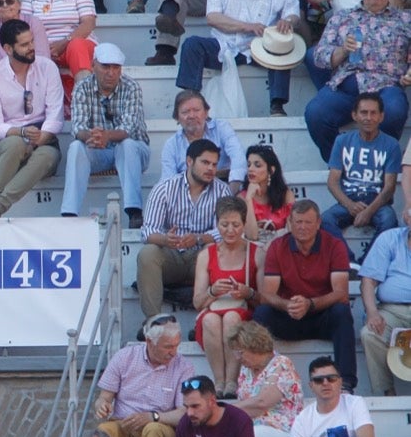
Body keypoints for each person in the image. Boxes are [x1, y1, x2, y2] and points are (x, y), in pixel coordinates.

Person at [175, 0, 301, 118]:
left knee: (282, 49)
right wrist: (247, 26)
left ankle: (277, 106)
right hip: (225, 46)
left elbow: (293, 10)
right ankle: (190, 102)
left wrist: (287, 21)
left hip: (263, 48)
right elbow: (213, 17)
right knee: (192, 45)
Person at [304, 0, 411, 164]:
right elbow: (318, 57)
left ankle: (377, 165)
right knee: (315, 113)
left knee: (394, 111)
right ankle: (340, 165)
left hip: (386, 86)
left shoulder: (405, 20)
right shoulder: (342, 17)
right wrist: (342, 50)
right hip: (346, 87)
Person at [253, 200, 357, 392]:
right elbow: (267, 294)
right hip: (289, 316)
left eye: (308, 222)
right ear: (290, 224)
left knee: (341, 311)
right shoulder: (277, 246)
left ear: (318, 223)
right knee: (262, 313)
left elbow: (341, 293)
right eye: (298, 222)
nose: (302, 227)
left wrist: (310, 304)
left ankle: (346, 383)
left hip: (321, 315)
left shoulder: (334, 245)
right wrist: (288, 306)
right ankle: (258, 379)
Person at [94, 315, 193, 437]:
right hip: (123, 425)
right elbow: (104, 397)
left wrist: (153, 417)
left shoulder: (183, 367)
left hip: (161, 428)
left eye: (176, 345)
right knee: (102, 433)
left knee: (153, 430)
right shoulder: (125, 356)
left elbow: (184, 413)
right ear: (149, 341)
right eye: (168, 346)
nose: (174, 352)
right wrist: (102, 406)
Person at [0, 18, 62, 219]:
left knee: (48, 156)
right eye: (24, 45)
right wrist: (22, 134)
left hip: (43, 140)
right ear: (7, 48)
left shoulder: (47, 67)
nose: (32, 48)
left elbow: (55, 116)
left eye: (31, 41)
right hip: (7, 147)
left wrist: (40, 138)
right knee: (15, 143)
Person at [138, 139, 232, 319]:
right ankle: (154, 322)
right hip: (171, 255)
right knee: (148, 253)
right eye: (205, 162)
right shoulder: (164, 188)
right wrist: (165, 240)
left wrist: (199, 238)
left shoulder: (222, 191)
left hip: (200, 257)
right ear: (189, 161)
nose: (211, 169)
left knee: (213, 250)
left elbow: (226, 231)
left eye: (214, 164)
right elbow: (148, 230)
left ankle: (206, 319)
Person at [60, 43, 150, 228]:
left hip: (134, 152)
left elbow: (128, 129)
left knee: (127, 144)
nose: (111, 73)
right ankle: (69, 214)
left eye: (116, 67)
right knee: (76, 147)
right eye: (106, 67)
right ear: (93, 66)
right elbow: (78, 128)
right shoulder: (82, 87)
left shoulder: (131, 87)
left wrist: (106, 136)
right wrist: (92, 137)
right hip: (99, 150)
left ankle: (134, 211)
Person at [192, 196, 264, 397]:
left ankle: (232, 382)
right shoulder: (207, 254)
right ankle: (219, 382)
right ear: (217, 225)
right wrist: (213, 291)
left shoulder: (256, 252)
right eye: (224, 225)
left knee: (232, 317)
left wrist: (247, 292)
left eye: (236, 225)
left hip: (243, 313)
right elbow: (198, 302)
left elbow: (265, 299)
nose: (230, 231)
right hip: (213, 312)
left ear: (243, 224)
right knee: (210, 319)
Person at [320, 92, 400, 259]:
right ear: (354, 115)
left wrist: (368, 212)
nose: (368, 118)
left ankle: (367, 262)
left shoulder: (391, 145)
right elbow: (332, 182)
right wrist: (350, 205)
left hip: (377, 203)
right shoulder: (342, 141)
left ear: (381, 116)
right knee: (325, 220)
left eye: (373, 113)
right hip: (348, 200)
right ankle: (347, 261)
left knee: (390, 220)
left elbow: (389, 188)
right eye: (363, 112)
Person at [21, 0, 98, 102]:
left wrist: (65, 42)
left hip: (75, 44)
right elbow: (25, 26)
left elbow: (88, 23)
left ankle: (86, 99)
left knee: (77, 45)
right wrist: (43, 47)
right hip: (42, 47)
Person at [226, 321, 304, 437]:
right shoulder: (246, 370)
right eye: (235, 353)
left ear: (255, 346)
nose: (237, 358)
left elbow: (263, 402)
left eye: (240, 352)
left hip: (282, 430)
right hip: (252, 427)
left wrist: (225, 410)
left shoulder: (281, 364)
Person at [360, 223, 411, 398]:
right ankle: (386, 393)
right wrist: (372, 312)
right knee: (370, 334)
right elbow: (368, 281)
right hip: (391, 310)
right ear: (407, 219)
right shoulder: (389, 238)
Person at [159, 91, 245, 193]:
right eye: (185, 112)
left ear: (206, 112)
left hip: (224, 188)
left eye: (196, 110)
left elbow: (238, 159)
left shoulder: (221, 128)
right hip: (187, 194)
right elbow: (168, 181)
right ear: (177, 117)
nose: (191, 115)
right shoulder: (171, 145)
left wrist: (230, 194)